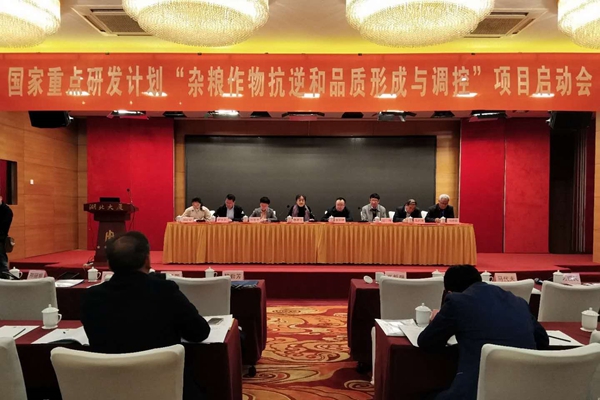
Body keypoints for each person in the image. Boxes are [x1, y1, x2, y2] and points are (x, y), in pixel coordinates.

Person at [81, 231, 210, 400]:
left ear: (109, 265)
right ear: (147, 260)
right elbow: (199, 332)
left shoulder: (91, 297)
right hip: (164, 387)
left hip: (109, 389)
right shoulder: (165, 291)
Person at [418, 265, 549, 400]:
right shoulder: (519, 302)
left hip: (477, 391)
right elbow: (543, 341)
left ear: (450, 292)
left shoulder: (457, 302)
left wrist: (437, 320)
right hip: (525, 390)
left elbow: (426, 342)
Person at [0, 195, 13, 273]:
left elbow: (4, 228)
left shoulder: (7, 211)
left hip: (1, 238)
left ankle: (5, 274)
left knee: (2, 260)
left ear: (1, 198)